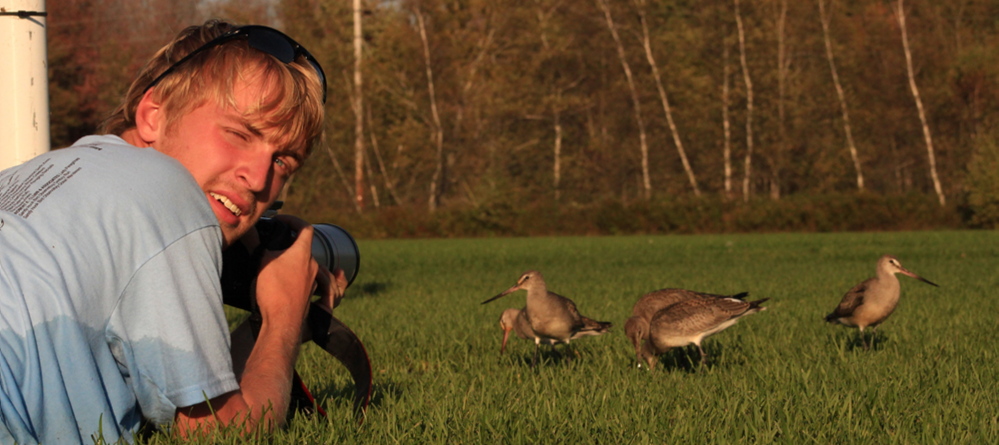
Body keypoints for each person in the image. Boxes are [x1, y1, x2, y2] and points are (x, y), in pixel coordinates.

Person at [0, 19, 344, 443]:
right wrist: (284, 314)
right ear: (153, 115)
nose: (257, 180)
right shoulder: (167, 190)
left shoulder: (35, 175)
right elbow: (221, 435)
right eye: (238, 134)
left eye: (282, 163)